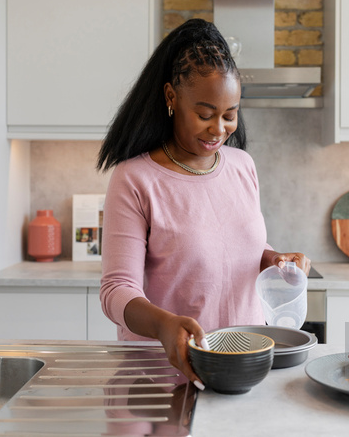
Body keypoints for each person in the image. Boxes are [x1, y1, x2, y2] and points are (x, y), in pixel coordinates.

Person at [96, 19, 311, 390]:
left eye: (230, 115)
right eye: (206, 114)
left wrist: (275, 261)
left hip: (245, 366)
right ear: (171, 97)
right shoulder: (135, 179)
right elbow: (117, 290)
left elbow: (241, 247)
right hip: (166, 374)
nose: (219, 130)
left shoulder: (243, 166)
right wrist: (165, 325)